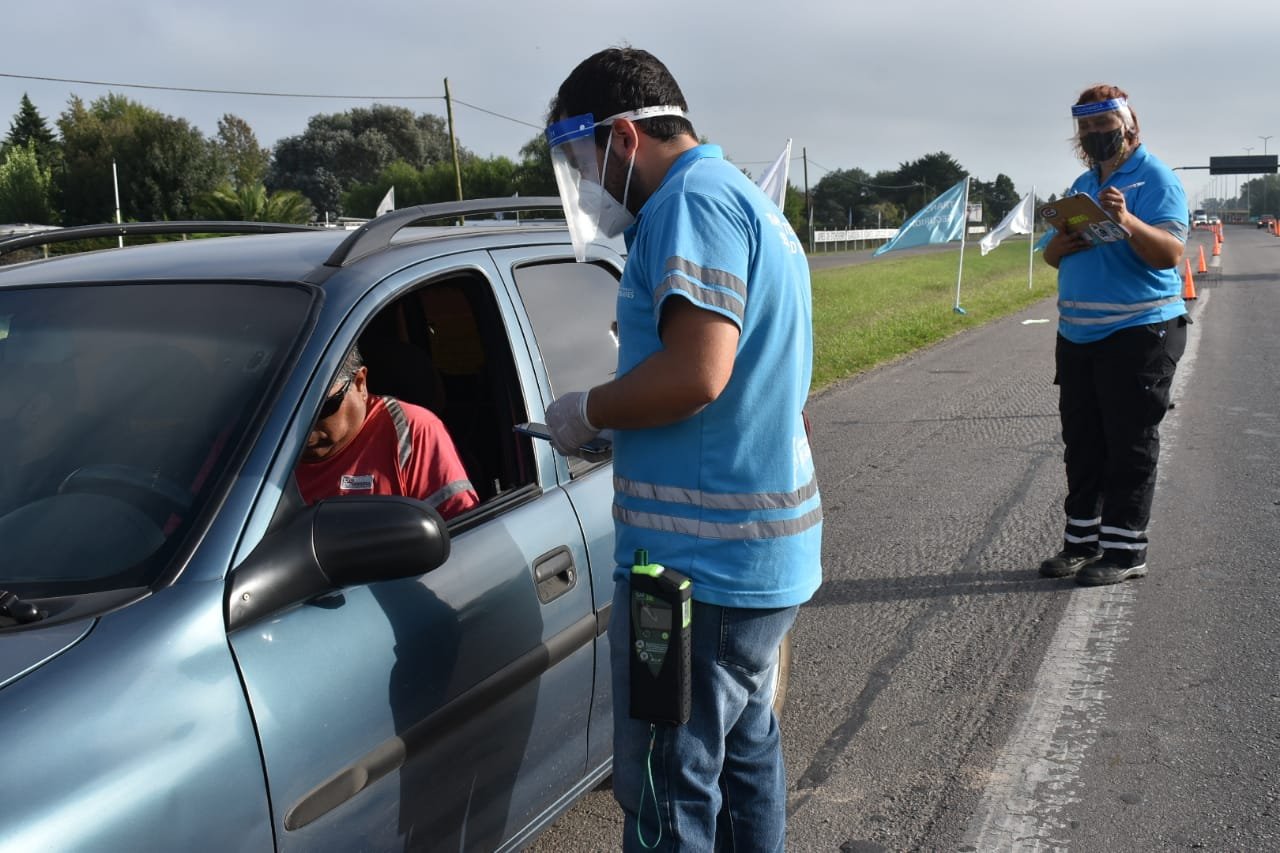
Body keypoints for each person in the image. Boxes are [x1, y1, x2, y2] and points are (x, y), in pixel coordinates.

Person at [542, 48, 822, 851]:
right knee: (745, 756)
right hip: (761, 559)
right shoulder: (745, 200)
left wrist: (586, 410)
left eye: (582, 160)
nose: (587, 183)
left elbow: (700, 370)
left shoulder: (685, 204)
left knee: (668, 786)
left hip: (697, 570)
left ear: (624, 137)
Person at [1040, 85, 1190, 586]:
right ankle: (1080, 545)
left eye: (1105, 128)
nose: (1097, 137)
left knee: (1129, 443)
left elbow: (1170, 254)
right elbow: (1051, 256)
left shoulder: (1157, 179)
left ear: (1130, 127)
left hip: (1140, 331)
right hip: (1079, 335)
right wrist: (1062, 241)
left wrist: (1125, 219)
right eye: (1087, 130)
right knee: (1083, 445)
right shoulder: (1083, 182)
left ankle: (1125, 552)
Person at [295, 346, 479, 520]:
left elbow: (462, 534)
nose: (300, 423)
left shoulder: (411, 431)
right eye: (287, 411)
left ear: (360, 383)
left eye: (321, 407)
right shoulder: (270, 442)